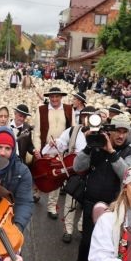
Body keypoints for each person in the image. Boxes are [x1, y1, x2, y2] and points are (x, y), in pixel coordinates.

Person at [70, 114, 131, 261]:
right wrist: (88, 146)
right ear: (109, 131)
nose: (121, 136)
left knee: (108, 242)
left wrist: (112, 152)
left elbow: (127, 175)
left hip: (113, 205)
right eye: (117, 131)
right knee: (87, 239)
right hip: (91, 201)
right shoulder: (96, 144)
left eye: (124, 132)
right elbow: (78, 166)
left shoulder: (130, 151)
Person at [41, 109, 87, 243]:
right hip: (74, 171)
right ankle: (68, 230)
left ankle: (82, 226)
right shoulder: (73, 131)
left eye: (90, 117)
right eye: (85, 116)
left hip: (91, 173)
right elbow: (61, 144)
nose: (87, 120)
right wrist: (54, 144)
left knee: (87, 202)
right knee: (70, 201)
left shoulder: (102, 134)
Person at [34, 87, 74, 218]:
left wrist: (70, 148)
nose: (55, 99)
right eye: (52, 97)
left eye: (57, 96)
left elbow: (73, 130)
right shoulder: (41, 110)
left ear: (61, 97)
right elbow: (37, 132)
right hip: (46, 148)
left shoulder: (69, 109)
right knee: (41, 172)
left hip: (61, 150)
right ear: (49, 97)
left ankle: (52, 206)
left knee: (57, 177)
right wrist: (38, 149)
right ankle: (37, 190)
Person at [0, 127, 34, 232]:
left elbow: (24, 202)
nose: (3, 152)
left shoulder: (22, 172)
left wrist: (17, 228)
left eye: (7, 148)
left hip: (8, 220)